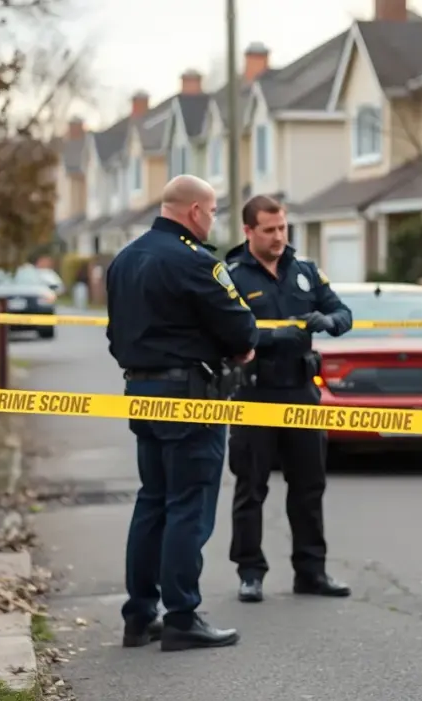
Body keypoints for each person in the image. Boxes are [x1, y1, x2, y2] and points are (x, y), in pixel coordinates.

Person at [106, 175, 259, 652]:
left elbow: (116, 336)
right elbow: (242, 329)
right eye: (212, 212)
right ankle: (181, 616)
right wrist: (240, 347)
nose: (212, 221)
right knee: (187, 506)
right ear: (195, 212)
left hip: (142, 392)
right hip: (191, 398)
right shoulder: (196, 261)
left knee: (151, 501)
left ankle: (139, 616)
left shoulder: (124, 259)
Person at [224, 194, 353, 603]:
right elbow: (225, 332)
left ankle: (311, 571)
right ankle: (250, 572)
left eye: (283, 228)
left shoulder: (306, 272)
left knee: (309, 484)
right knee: (251, 486)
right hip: (254, 391)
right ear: (248, 231)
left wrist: (328, 320)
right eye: (269, 230)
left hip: (300, 392)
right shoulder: (231, 276)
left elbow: (343, 314)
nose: (279, 236)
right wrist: (276, 335)